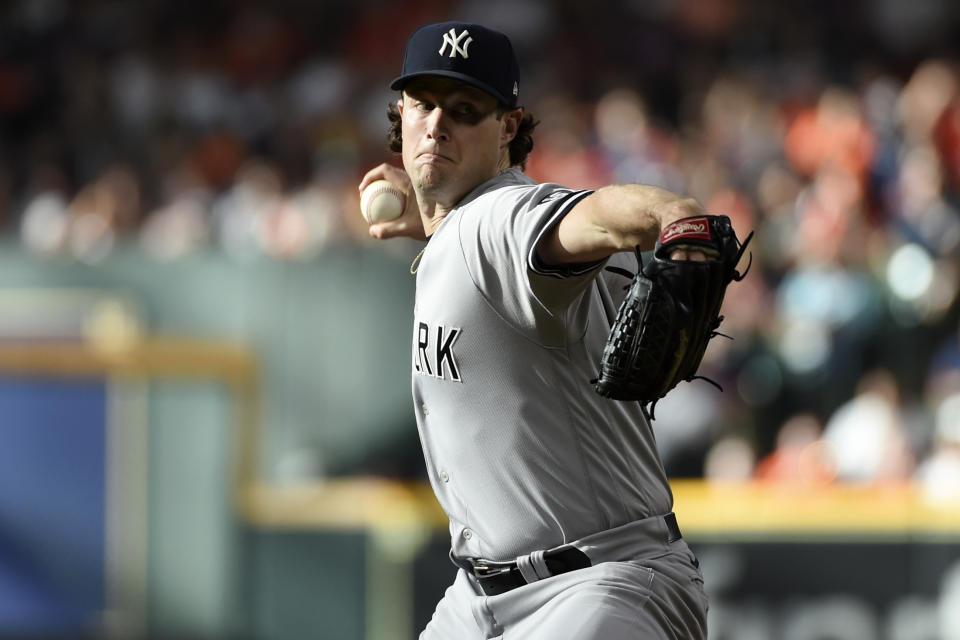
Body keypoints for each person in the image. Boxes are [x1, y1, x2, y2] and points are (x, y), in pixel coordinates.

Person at [359, 21, 714, 640]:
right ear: (401, 115)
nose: (438, 124)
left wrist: (670, 213)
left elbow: (591, 217)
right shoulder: (464, 232)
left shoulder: (503, 218)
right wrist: (430, 221)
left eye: (466, 110)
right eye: (424, 105)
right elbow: (478, 248)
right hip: (478, 599)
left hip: (601, 587)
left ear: (508, 129)